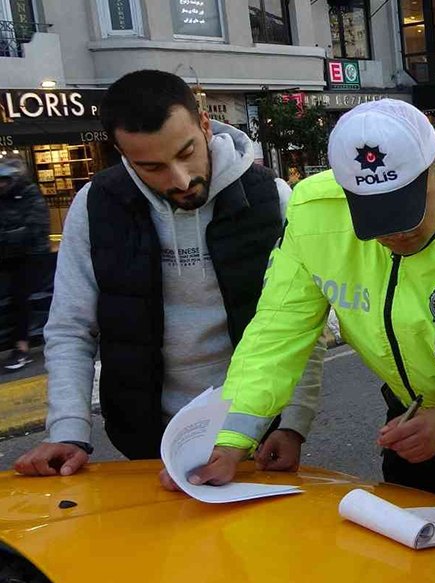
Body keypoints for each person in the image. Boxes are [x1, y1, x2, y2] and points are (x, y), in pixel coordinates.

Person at [166, 99, 435, 496]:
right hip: (410, 411)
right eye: (375, 216)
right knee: (405, 525)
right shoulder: (313, 213)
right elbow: (277, 330)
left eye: (405, 210)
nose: (395, 234)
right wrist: (230, 438)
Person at [14, 69, 323, 477]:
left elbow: (301, 323)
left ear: (205, 124)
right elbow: (71, 327)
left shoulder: (271, 199)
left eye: (186, 152)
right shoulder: (96, 207)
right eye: (152, 167)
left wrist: (293, 423)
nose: (180, 179)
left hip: (255, 429)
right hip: (143, 434)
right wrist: (68, 431)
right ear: (123, 155)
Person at [0, 160, 49, 370]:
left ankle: (21, 348)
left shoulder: (30, 194)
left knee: (19, 297)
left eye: (4, 180)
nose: (1, 184)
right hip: (7, 255)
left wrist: (7, 236)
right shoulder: (3, 199)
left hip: (31, 255)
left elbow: (35, 228)